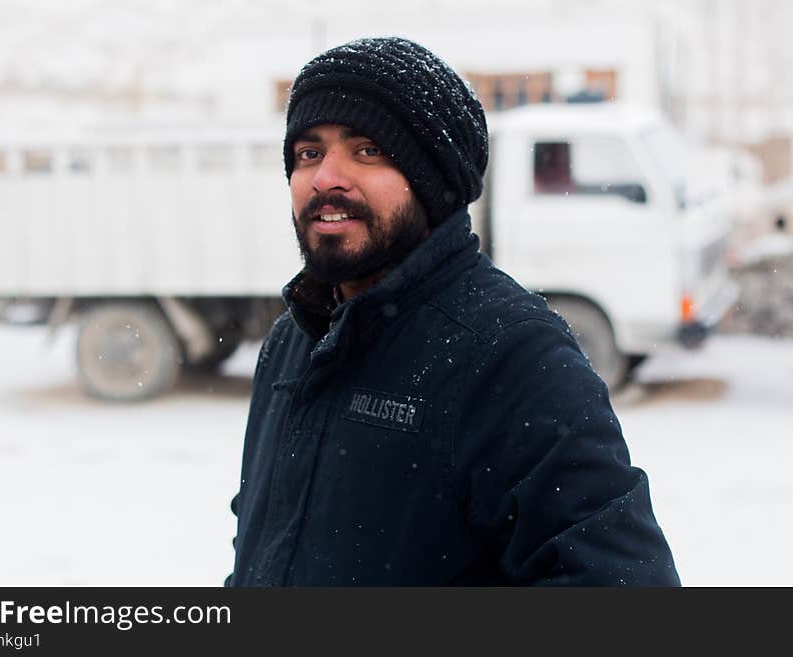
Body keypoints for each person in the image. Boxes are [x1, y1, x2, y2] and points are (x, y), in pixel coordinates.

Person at [226, 37, 680, 586]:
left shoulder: (511, 353)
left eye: (367, 150)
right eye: (309, 153)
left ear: (432, 181)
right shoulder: (292, 342)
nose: (326, 177)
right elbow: (266, 548)